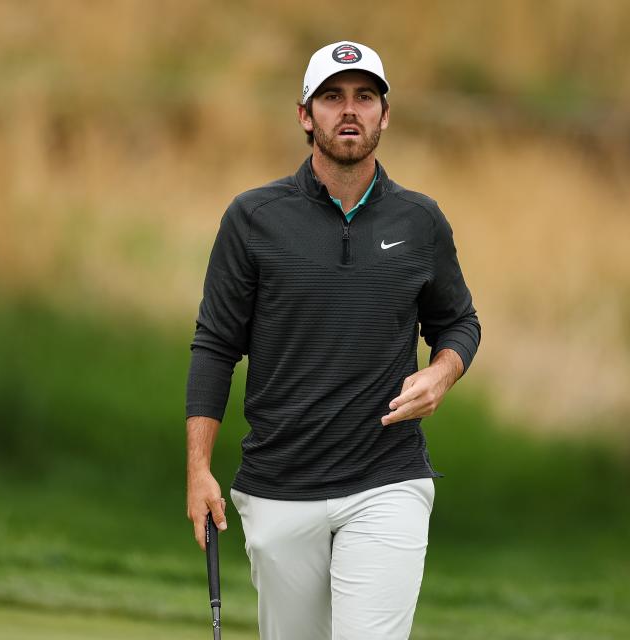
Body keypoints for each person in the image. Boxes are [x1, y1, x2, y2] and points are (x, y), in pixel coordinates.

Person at [185, 40, 481, 640]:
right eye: (333, 97)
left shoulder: (420, 221)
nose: (350, 110)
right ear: (305, 114)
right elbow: (216, 344)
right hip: (279, 486)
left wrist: (442, 371)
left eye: (365, 97)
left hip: (387, 478)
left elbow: (459, 322)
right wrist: (198, 468)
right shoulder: (253, 218)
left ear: (384, 115)